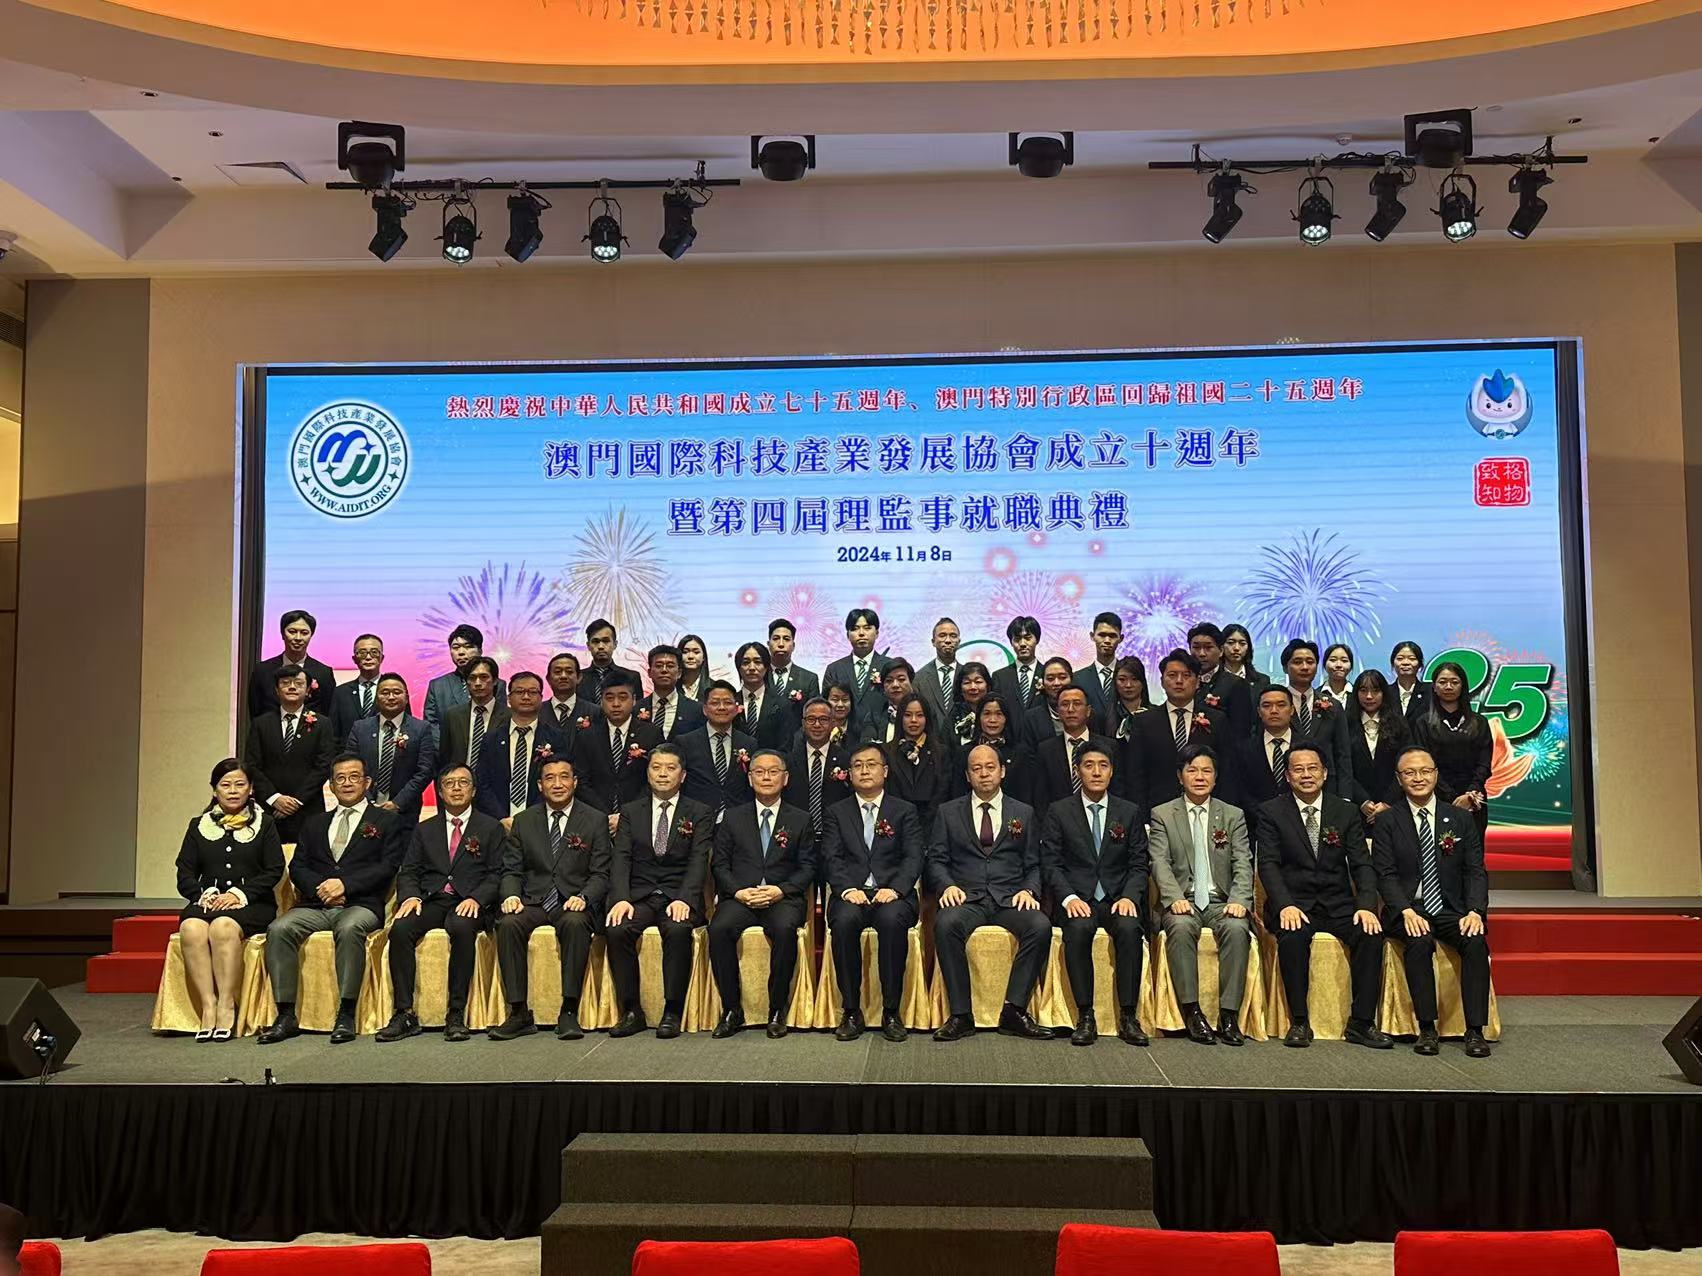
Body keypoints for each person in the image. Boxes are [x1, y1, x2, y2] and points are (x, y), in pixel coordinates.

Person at [258, 753, 403, 1046]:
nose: (347, 783)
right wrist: (321, 889)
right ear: (332, 786)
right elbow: (298, 866)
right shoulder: (314, 823)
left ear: (367, 783)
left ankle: (346, 1013)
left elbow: (387, 866)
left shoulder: (386, 821)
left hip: (360, 904)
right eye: (340, 778)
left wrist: (345, 886)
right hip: (316, 904)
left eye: (354, 777)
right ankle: (285, 1015)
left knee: (349, 929)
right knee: (279, 929)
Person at [1256, 745, 1391, 1050]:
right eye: (1298, 769)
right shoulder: (1271, 812)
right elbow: (1268, 865)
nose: (1306, 775)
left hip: (1338, 904)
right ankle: (1299, 1021)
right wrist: (1285, 905)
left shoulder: (1345, 811)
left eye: (1313, 768)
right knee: (1292, 936)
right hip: (1294, 904)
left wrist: (1366, 906)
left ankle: (1361, 1023)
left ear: (1325, 773)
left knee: (1371, 934)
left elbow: (1362, 864)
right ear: (1287, 776)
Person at [1373, 746, 1493, 1059]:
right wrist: (1405, 910)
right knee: (1419, 939)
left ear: (1436, 775)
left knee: (1475, 941)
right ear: (1399, 779)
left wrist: (1474, 911)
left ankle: (1475, 1030)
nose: (1418, 778)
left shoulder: (1460, 819)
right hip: (1408, 909)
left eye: (1425, 771)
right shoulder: (1388, 821)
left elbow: (1475, 871)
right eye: (1410, 773)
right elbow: (1385, 874)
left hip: (1450, 909)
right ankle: (1427, 1028)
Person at [928, 744, 1051, 1043]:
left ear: (1002, 771)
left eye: (990, 767)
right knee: (945, 924)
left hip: (1010, 898)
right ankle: (961, 1015)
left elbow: (1034, 864)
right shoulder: (948, 812)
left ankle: (1014, 1010)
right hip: (967, 898)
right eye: (977, 768)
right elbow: (936, 860)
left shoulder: (1023, 812)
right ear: (967, 776)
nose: (984, 773)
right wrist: (947, 885)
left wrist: (1029, 889)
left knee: (1039, 925)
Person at [376, 765, 505, 1043]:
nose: (456, 788)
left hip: (469, 901)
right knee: (400, 928)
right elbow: (409, 870)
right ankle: (403, 1013)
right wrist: (411, 896)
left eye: (463, 782)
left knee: (461, 927)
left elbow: (497, 874)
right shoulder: (425, 829)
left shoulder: (490, 827)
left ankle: (456, 1013)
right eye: (449, 783)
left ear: (473, 790)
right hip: (432, 898)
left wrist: (477, 898)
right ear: (440, 791)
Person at [488, 756, 613, 1042]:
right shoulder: (524, 821)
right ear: (539, 785)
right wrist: (511, 895)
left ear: (575, 782)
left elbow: (601, 874)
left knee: (575, 922)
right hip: (534, 899)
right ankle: (519, 1012)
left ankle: (569, 1010)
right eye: (550, 778)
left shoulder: (594, 820)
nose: (558, 784)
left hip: (573, 900)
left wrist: (584, 896)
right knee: (508, 923)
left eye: (564, 777)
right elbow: (511, 869)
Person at [1040, 741, 1149, 1047]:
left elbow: (1139, 863)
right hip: (1078, 898)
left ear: (1112, 771)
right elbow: (1051, 864)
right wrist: (1069, 898)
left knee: (1130, 928)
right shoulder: (1059, 811)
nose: (1096, 772)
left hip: (1117, 899)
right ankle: (1085, 1015)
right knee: (1078, 929)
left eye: (1103, 765)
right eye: (1089, 766)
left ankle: (1128, 1016)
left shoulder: (1128, 811)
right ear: (1077, 771)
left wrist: (1129, 896)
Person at [606, 745, 714, 1039]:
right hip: (640, 895)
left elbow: (699, 860)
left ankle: (673, 1011)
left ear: (683, 775)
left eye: (670, 768)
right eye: (656, 767)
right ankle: (631, 1011)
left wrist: (685, 898)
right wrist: (620, 898)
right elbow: (621, 858)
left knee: (678, 929)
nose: (662, 774)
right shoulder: (631, 812)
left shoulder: (699, 812)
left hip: (678, 895)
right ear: (648, 772)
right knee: (617, 928)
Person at [1148, 745, 1253, 1046]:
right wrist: (1173, 898)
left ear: (1216, 778)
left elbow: (1243, 862)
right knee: (1180, 927)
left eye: (1206, 771)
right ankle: (1192, 1012)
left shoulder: (1232, 815)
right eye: (1192, 770)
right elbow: (1159, 862)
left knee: (1237, 928)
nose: (1199, 777)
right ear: (1180, 776)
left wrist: (1239, 900)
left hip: (1221, 901)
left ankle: (1229, 1015)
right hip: (1184, 899)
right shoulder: (1163, 814)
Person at [822, 742, 925, 1043]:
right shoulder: (836, 812)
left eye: (871, 764)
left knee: (892, 922)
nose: (864, 770)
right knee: (844, 921)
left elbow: (914, 856)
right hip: (851, 894)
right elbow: (831, 857)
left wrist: (895, 889)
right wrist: (846, 889)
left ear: (885, 771)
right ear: (849, 773)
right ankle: (851, 1010)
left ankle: (891, 1011)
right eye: (857, 765)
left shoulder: (904, 811)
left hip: (893, 895)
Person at [709, 751, 816, 1039]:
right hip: (742, 897)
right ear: (750, 778)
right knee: (719, 928)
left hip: (783, 897)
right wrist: (738, 892)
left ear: (785, 778)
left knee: (784, 929)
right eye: (759, 772)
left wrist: (781, 889)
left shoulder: (801, 819)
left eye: (773, 772)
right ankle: (732, 1009)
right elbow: (720, 864)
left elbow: (808, 867)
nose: (766, 777)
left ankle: (777, 1009)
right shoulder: (732, 818)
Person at [176, 759, 284, 1040]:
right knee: (191, 927)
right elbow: (184, 873)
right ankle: (208, 1005)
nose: (233, 791)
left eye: (239, 784)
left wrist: (239, 895)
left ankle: (226, 1003)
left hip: (253, 904)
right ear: (215, 790)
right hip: (208, 902)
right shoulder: (198, 825)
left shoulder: (265, 824)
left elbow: (274, 870)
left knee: (223, 927)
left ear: (251, 789)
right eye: (225, 785)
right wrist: (204, 895)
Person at [1123, 650, 1232, 813]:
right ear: (1162, 681)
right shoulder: (1144, 721)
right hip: (1157, 811)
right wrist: (1142, 817)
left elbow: (1226, 771)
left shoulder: (1217, 720)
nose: (1179, 681)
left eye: (1186, 675)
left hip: (1206, 810)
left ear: (1197, 682)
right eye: (1172, 675)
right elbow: (1135, 775)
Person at [242, 664, 335, 843]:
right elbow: (252, 765)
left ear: (308, 690)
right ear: (277, 690)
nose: (292, 687)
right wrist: (275, 798)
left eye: (298, 683)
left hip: (308, 808)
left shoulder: (322, 724)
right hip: (269, 809)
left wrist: (296, 801)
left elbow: (324, 766)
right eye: (285, 683)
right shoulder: (261, 724)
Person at [1409, 661, 1493, 838]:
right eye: (1443, 682)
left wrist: (1470, 794)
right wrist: (1451, 797)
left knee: (1473, 849)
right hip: (1435, 796)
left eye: (1454, 682)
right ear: (1434, 687)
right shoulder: (1423, 723)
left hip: (1473, 798)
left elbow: (1484, 762)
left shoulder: (1479, 722)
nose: (1448, 686)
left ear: (1463, 686)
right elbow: (1423, 764)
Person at [344, 673, 436, 834]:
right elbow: (351, 767)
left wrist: (398, 803)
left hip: (405, 811)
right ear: (376, 698)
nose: (391, 697)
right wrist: (368, 800)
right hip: (364, 807)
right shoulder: (360, 728)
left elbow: (425, 771)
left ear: (406, 698)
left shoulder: (421, 729)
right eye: (385, 692)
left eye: (397, 692)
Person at [474, 671, 569, 825]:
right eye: (519, 692)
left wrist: (529, 818)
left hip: (541, 821)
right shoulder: (491, 739)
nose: (526, 697)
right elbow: (483, 783)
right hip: (498, 822)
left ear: (541, 698)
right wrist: (501, 818)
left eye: (532, 692)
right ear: (509, 699)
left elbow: (558, 783)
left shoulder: (555, 738)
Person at [570, 671, 662, 815]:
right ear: (601, 701)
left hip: (639, 814)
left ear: (634, 700)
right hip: (595, 815)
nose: (616, 704)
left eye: (623, 698)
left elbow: (655, 779)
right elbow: (581, 781)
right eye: (609, 698)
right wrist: (604, 815)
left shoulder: (651, 734)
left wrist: (628, 813)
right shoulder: (587, 736)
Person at [1231, 686, 1321, 809]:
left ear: (1292, 710)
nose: (1274, 710)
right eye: (1267, 706)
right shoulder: (1243, 749)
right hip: (1255, 817)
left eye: (1281, 705)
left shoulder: (1310, 747)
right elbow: (1239, 791)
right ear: (1259, 712)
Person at [675, 681, 756, 815]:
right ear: (705, 709)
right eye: (715, 703)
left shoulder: (749, 743)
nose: (721, 707)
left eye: (728, 703)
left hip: (738, 816)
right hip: (697, 816)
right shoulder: (685, 742)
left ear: (736, 709)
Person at [1034, 685, 1117, 811]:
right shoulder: (1045, 749)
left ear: (1088, 711)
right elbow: (1040, 796)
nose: (1071, 709)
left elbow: (1118, 790)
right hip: (1058, 819)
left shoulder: (1109, 746)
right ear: (1058, 712)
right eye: (1065, 704)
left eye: (1077, 704)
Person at [1281, 639, 1352, 783]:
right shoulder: (1275, 704)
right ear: (1285, 667)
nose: (1305, 667)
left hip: (1327, 785)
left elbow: (1343, 755)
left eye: (1310, 662)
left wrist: (1345, 793)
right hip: (1286, 782)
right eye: (1297, 662)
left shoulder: (1333, 705)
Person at [247, 609, 336, 722]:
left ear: (311, 635)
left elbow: (327, 712)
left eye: (304, 633)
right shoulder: (262, 671)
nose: (298, 638)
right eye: (292, 632)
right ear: (282, 634)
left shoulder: (324, 673)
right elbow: (255, 711)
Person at [785, 697, 852, 843]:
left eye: (823, 719)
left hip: (835, 836)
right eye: (811, 719)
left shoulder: (846, 760)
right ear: (803, 723)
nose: (817, 725)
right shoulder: (788, 761)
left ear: (833, 723)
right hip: (796, 836)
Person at [950, 694, 1037, 807]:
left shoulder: (1020, 753)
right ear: (979, 718)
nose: (992, 720)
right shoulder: (964, 753)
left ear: (1006, 718)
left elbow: (1026, 795)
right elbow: (957, 794)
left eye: (999, 714)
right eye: (986, 714)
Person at [884, 691, 952, 830]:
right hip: (896, 824)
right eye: (908, 715)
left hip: (933, 825)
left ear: (927, 719)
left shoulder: (941, 752)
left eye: (920, 715)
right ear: (900, 718)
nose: (914, 720)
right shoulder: (887, 752)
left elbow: (943, 792)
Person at [1348, 670, 1407, 828]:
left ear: (1384, 693)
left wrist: (1388, 802)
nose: (1369, 696)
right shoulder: (1345, 724)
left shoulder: (1399, 724)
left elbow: (1406, 765)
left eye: (1375, 690)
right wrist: (1362, 800)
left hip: (1394, 806)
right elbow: (1343, 767)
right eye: (1363, 690)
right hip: (1356, 808)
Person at [424, 624, 504, 736]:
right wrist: (444, 745)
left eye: (468, 646)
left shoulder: (497, 684)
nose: (461, 652)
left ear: (480, 650)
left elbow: (501, 721)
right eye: (455, 647)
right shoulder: (437, 686)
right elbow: (431, 724)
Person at [437, 656, 507, 771]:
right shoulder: (452, 715)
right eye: (472, 678)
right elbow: (444, 757)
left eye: (484, 677)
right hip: (460, 780)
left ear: (495, 681)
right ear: (466, 682)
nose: (478, 683)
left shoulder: (510, 716)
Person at [822, 608, 893, 720]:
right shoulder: (834, 669)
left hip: (881, 729)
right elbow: (826, 707)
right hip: (844, 729)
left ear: (877, 633)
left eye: (867, 628)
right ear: (848, 635)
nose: (861, 633)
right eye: (855, 629)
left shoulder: (889, 666)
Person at [1190, 623, 1253, 740]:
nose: (1202, 653)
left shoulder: (1236, 684)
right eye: (1196, 647)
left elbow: (1241, 733)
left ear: (1221, 651)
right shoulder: (1185, 682)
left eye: (1208, 647)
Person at [732, 641, 795, 750]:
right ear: (739, 668)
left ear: (766, 667)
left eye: (758, 662)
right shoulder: (731, 703)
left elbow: (785, 746)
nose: (752, 667)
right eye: (746, 663)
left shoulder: (782, 704)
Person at [640, 643, 704, 742]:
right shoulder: (636, 709)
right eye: (658, 666)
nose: (664, 670)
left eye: (670, 666)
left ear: (679, 673)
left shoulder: (696, 710)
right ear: (649, 672)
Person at [331, 632, 387, 743]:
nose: (368, 657)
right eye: (362, 653)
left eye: (374, 652)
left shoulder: (394, 690)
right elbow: (334, 733)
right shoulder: (340, 693)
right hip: (348, 752)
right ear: (354, 659)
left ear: (382, 657)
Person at [989, 615, 1045, 719]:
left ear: (1037, 640)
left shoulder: (1047, 674)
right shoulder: (999, 677)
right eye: (1017, 639)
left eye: (1028, 638)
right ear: (1011, 642)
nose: (1022, 644)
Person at [1073, 612, 1124, 719]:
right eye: (1102, 635)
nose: (1107, 641)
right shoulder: (1078, 678)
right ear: (1092, 636)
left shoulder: (1130, 676)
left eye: (1112, 636)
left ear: (1121, 638)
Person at [913, 617, 962, 725]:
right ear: (933, 642)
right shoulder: (919, 678)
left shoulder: (967, 676)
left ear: (959, 641)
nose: (948, 640)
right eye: (942, 635)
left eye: (953, 636)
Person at [579, 617, 637, 707]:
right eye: (595, 642)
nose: (601, 646)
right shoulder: (578, 678)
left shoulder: (632, 677)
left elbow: (637, 711)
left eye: (606, 641)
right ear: (588, 646)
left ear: (615, 644)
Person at [857, 659, 916, 743]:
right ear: (883, 687)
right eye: (889, 681)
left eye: (901, 679)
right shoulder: (875, 714)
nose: (895, 685)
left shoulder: (923, 710)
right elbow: (866, 744)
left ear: (911, 682)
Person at [1023, 656, 1076, 742]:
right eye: (1050, 679)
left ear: (1071, 679)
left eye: (1062, 677)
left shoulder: (1086, 713)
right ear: (1043, 683)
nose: (1056, 683)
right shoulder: (1032, 718)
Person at [767, 618, 820, 701]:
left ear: (793, 646)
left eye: (786, 639)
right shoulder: (759, 676)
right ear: (768, 644)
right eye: (776, 638)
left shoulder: (809, 679)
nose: (781, 644)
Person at [1102, 655, 1151, 741]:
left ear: (1143, 682)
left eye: (1134, 679)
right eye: (1122, 679)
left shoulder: (1156, 714)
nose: (1128, 685)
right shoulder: (1105, 716)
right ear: (1115, 682)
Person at [946, 662, 993, 747]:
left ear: (988, 686)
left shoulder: (997, 712)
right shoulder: (954, 715)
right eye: (967, 682)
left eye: (978, 682)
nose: (973, 687)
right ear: (960, 688)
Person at [1389, 640, 1433, 726]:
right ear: (1393, 663)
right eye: (1400, 658)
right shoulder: (1385, 692)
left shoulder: (1431, 691)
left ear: (1420, 664)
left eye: (1412, 659)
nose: (1405, 663)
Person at [1219, 623, 1270, 693]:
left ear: (1248, 648)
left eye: (1242, 643)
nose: (1236, 648)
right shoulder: (1212, 678)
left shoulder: (1263, 680)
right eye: (1231, 642)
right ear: (1221, 646)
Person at [544, 652, 585, 736]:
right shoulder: (536, 712)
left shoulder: (595, 712)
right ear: (548, 679)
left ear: (579, 677)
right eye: (557, 672)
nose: (563, 676)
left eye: (569, 672)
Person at [677, 633, 713, 702]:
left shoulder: (714, 687)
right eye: (685, 652)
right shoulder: (671, 687)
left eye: (696, 652)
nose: (690, 656)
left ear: (704, 657)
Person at [823, 680, 856, 745]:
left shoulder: (861, 728)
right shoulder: (816, 726)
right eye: (835, 700)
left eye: (845, 700)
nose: (840, 705)